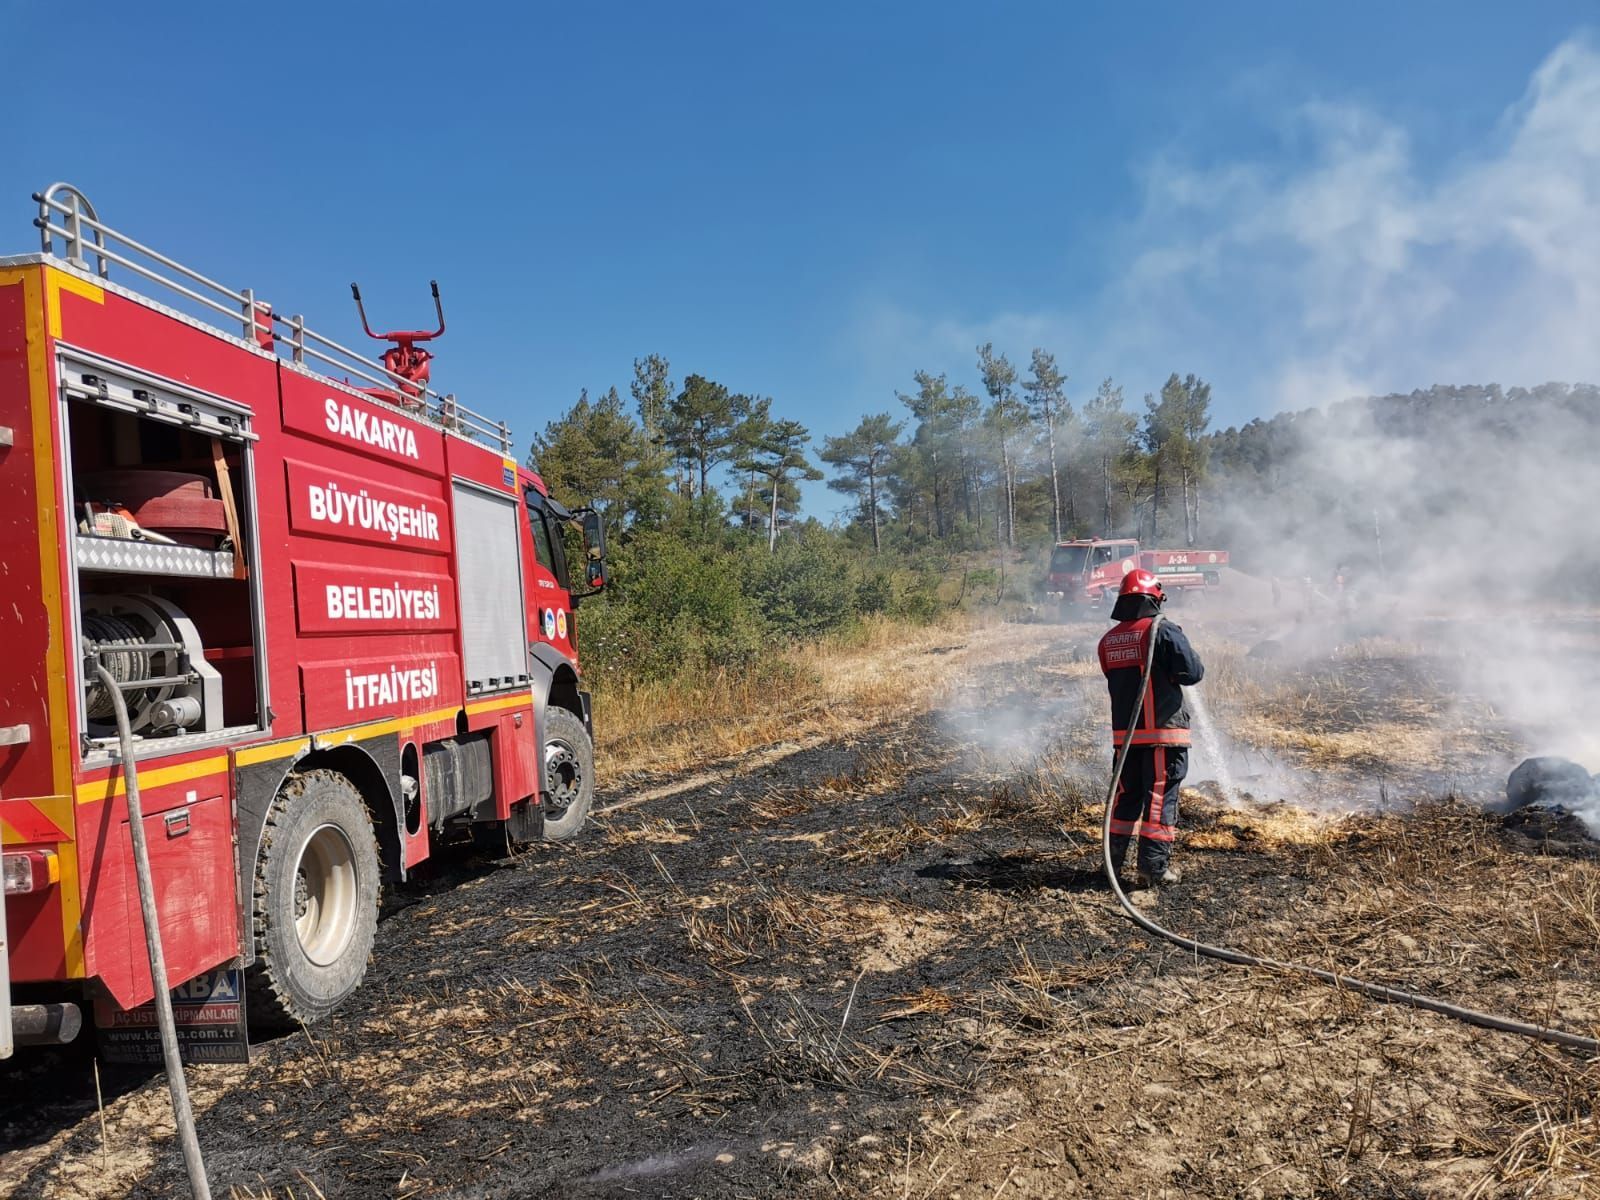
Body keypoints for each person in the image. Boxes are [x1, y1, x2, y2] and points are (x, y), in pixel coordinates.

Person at [1097, 568, 1206, 888]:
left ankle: (1111, 865)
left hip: (1126, 740)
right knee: (1159, 798)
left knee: (1124, 799)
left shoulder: (1108, 640)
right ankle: (1153, 868)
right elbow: (1192, 672)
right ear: (1154, 599)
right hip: (1162, 736)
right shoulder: (1163, 630)